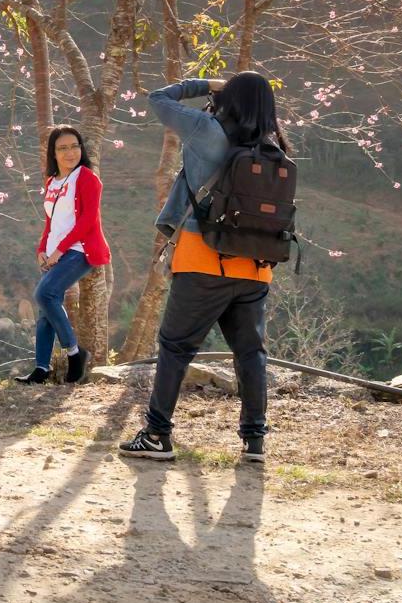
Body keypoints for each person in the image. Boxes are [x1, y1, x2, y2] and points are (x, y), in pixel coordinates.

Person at [120, 72, 285, 464]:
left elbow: (159, 98)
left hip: (203, 260)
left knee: (175, 348)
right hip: (255, 269)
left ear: (231, 97)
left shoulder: (206, 129)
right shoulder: (273, 147)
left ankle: (158, 434)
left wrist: (207, 85)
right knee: (250, 354)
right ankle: (254, 442)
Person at [17, 125, 110, 385]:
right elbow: (51, 221)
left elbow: (88, 220)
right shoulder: (52, 182)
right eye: (62, 148)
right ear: (54, 154)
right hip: (54, 253)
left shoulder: (87, 178)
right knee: (47, 307)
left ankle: (75, 353)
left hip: (79, 251)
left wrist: (59, 250)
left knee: (43, 295)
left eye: (74, 146)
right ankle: (41, 369)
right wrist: (42, 249)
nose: (70, 152)